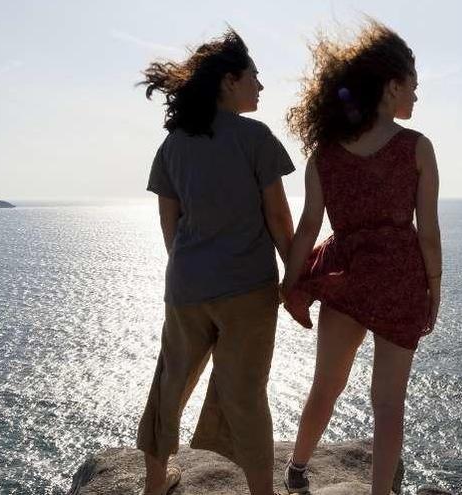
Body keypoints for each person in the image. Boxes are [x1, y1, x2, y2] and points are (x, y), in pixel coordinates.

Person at [281, 20, 442, 495]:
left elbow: (309, 227)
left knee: (326, 385)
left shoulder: (325, 155)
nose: (416, 96)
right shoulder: (417, 148)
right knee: (388, 404)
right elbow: (428, 232)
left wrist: (289, 282)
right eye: (413, 85)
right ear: (392, 86)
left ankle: (296, 468)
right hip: (399, 278)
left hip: (346, 276)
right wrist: (435, 287)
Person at [135, 29, 295, 495]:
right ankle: (262, 491)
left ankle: (154, 482)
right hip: (247, 288)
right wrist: (295, 278)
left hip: (187, 287)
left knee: (170, 383)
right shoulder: (255, 138)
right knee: (245, 394)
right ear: (229, 81)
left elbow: (170, 223)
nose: (260, 87)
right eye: (255, 77)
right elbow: (280, 219)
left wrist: (189, 267)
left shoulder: (173, 145)